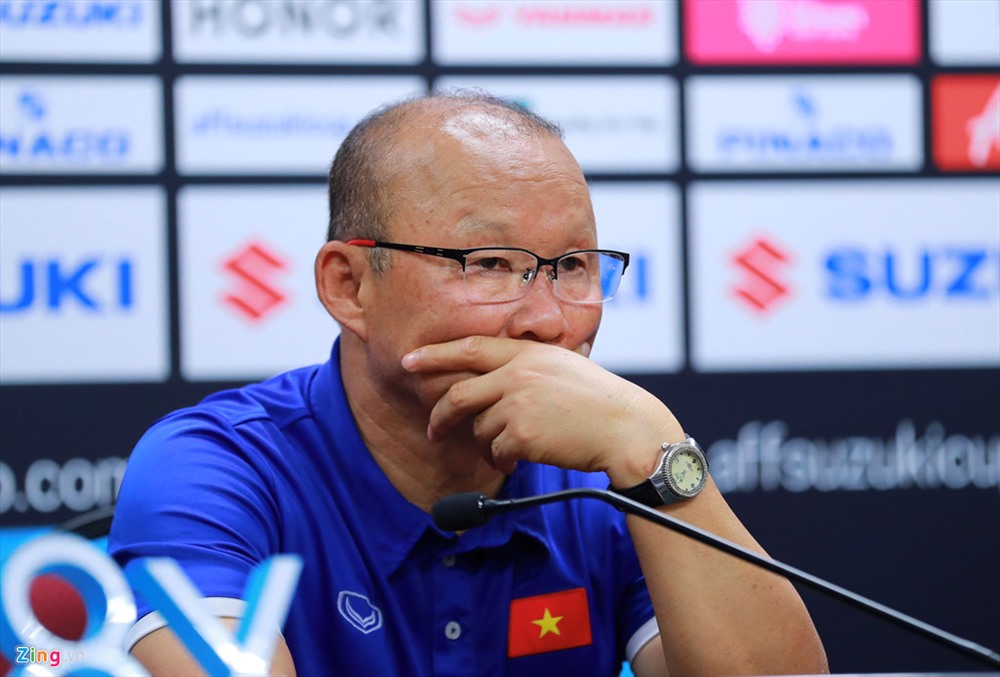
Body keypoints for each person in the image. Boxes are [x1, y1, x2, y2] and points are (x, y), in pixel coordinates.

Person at [109, 92, 828, 676]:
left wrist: (654, 450)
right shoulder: (216, 468)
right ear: (349, 285)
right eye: (489, 263)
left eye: (573, 266)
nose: (548, 320)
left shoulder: (610, 478)